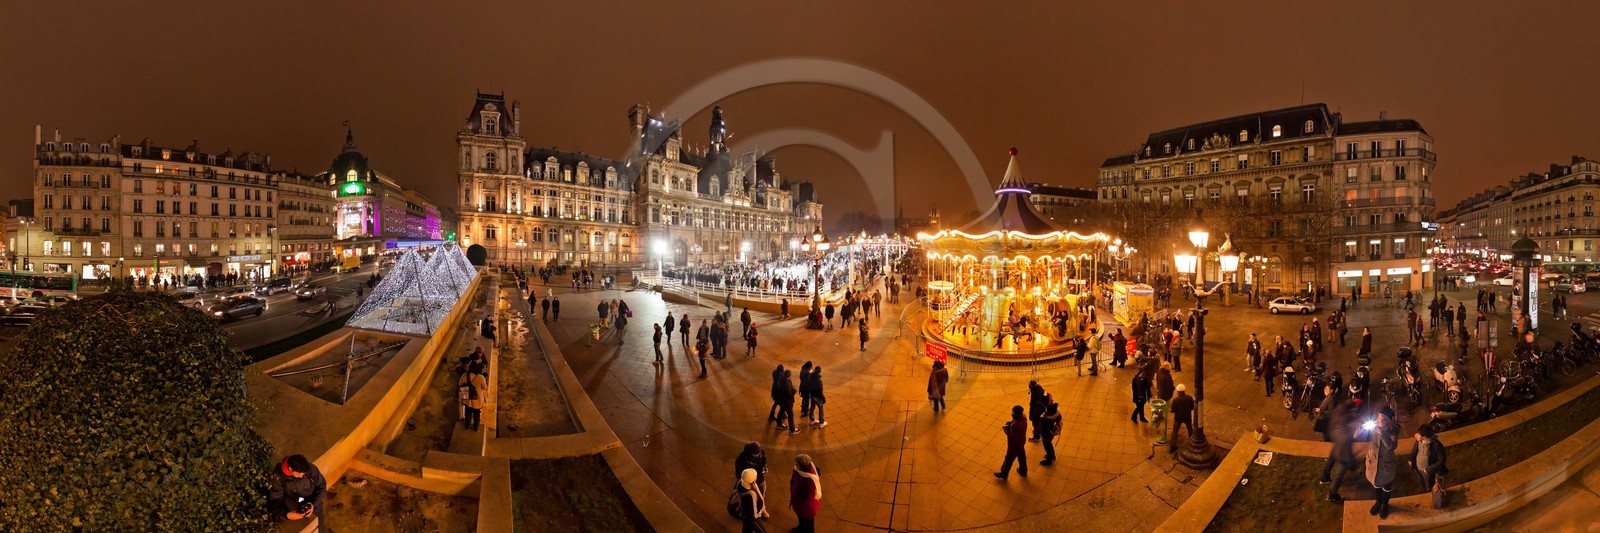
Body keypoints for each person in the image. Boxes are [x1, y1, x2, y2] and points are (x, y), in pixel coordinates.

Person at [268, 454, 327, 524]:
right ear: (290, 469)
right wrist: (286, 514)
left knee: (319, 525)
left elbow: (322, 484)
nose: (302, 476)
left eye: (304, 474)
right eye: (298, 474)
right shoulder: (278, 477)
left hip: (315, 504)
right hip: (296, 507)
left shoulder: (309, 468)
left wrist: (314, 504)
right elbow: (276, 499)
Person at [1320, 402, 1357, 503]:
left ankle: (1324, 477)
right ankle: (1332, 495)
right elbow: (1346, 453)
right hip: (1342, 450)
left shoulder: (1339, 411)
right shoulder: (1345, 434)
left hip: (1336, 440)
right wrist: (1352, 463)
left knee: (1332, 457)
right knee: (1339, 474)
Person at [1367, 406, 1400, 518]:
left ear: (1390, 420)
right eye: (1379, 419)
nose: (1380, 422)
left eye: (1383, 419)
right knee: (1376, 483)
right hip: (1373, 462)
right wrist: (1362, 427)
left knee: (1386, 485)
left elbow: (1391, 446)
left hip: (1386, 464)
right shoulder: (1374, 426)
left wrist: (1381, 433)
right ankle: (1378, 502)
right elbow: (1356, 436)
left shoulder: (1394, 430)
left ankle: (1384, 505)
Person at [790, 454, 822, 533]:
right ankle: (801, 528)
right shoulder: (801, 472)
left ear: (802, 467)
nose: (796, 465)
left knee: (809, 525)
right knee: (802, 520)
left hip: (806, 508)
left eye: (797, 464)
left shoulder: (808, 481)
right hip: (800, 506)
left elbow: (805, 496)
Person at [995, 405, 1029, 480]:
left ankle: (1003, 473)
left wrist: (1006, 430)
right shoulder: (1023, 419)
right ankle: (1023, 471)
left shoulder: (1015, 425)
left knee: (1008, 459)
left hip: (1014, 445)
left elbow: (1012, 436)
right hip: (1021, 441)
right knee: (1021, 457)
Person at [1411, 425, 1449, 493]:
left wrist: (1429, 469)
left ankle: (1430, 494)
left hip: (1427, 471)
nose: (1415, 435)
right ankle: (1423, 489)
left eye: (1418, 434)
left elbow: (1442, 459)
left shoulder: (1436, 445)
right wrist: (1411, 459)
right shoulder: (1419, 441)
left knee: (1430, 485)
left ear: (1424, 437)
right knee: (1421, 480)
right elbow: (1415, 450)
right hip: (1418, 468)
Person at [458, 361, 490, 431]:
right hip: (477, 400)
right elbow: (484, 388)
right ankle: (476, 427)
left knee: (468, 413)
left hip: (467, 399)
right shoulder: (481, 377)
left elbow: (459, 384)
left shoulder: (465, 375)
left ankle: (467, 425)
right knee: (476, 415)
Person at [736, 468, 768, 532]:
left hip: (745, 515)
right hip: (752, 519)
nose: (756, 477)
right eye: (755, 476)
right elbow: (754, 513)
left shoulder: (740, 482)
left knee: (747, 529)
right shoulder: (751, 495)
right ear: (753, 480)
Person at [1168, 384, 1195, 452]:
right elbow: (1192, 407)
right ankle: (1193, 443)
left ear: (1178, 392)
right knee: (1190, 430)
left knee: (1175, 431)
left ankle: (1172, 446)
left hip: (1178, 418)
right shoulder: (1189, 398)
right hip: (1187, 417)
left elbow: (1173, 410)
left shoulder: (1175, 400)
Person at [778, 369, 799, 435]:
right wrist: (794, 391)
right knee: (790, 415)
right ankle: (792, 430)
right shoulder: (787, 383)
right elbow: (789, 394)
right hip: (787, 402)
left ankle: (779, 424)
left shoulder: (781, 379)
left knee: (781, 411)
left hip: (782, 400)